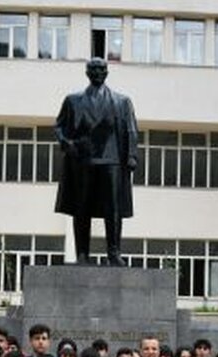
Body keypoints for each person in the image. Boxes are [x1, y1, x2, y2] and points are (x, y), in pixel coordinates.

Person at [54, 57, 139, 266]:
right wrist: (66, 142)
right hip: (83, 160)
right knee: (81, 207)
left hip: (112, 160)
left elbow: (131, 130)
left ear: (107, 73)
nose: (97, 72)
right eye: (93, 69)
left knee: (113, 208)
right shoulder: (73, 100)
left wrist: (131, 155)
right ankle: (82, 254)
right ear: (87, 73)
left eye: (101, 69)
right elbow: (59, 126)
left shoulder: (122, 101)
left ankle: (114, 253)